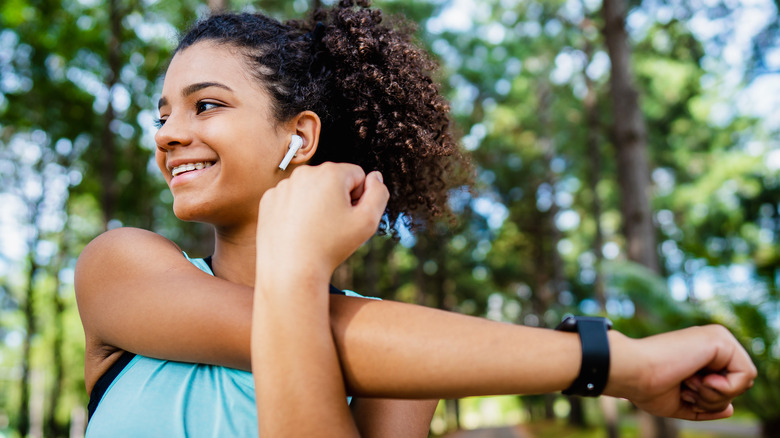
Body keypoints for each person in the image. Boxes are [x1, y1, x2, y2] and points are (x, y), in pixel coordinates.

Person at [75, 1, 757, 436]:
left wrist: (295, 267)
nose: (166, 133)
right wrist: (618, 363)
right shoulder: (120, 268)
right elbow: (280, 327)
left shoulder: (412, 362)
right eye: (162, 112)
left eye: (207, 105)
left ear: (300, 137)